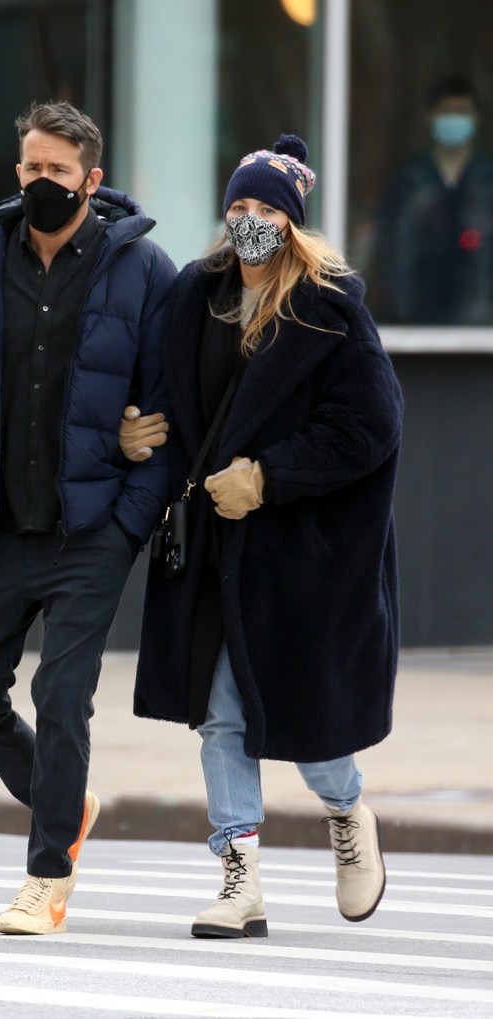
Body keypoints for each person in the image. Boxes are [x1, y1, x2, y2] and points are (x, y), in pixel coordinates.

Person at [0, 100, 176, 936]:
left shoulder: (143, 271)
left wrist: (130, 521)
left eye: (56, 170)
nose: (40, 182)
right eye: (29, 167)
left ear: (91, 178)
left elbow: (165, 413)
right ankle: (67, 800)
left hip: (92, 531)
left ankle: (46, 875)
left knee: (62, 695)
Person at [119, 135, 403, 938]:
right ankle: (238, 877)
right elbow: (172, 397)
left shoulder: (330, 307)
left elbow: (371, 428)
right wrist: (138, 430)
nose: (250, 222)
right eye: (239, 207)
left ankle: (347, 812)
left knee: (307, 720)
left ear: (294, 222)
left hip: (301, 556)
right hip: (214, 548)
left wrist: (271, 477)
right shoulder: (194, 296)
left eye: (267, 210)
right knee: (221, 715)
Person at [371, 74, 493, 324]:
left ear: (476, 118)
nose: (454, 119)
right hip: (414, 320)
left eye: (462, 112)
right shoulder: (409, 182)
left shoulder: (487, 182)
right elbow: (389, 249)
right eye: (446, 111)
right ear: (430, 116)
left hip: (480, 324)